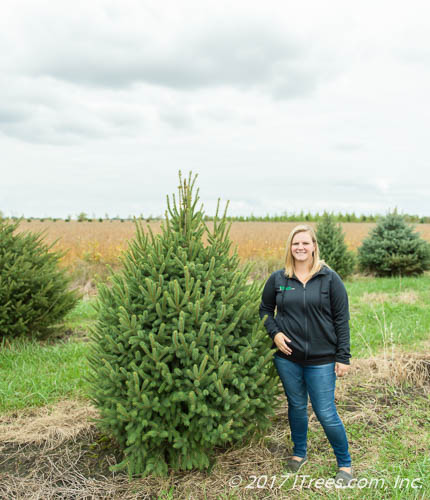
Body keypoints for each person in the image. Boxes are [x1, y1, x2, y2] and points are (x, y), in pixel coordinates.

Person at [259, 224, 353, 485]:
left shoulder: (329, 279)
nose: (300, 247)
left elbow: (341, 320)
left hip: (322, 360)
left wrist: (343, 357)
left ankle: (344, 462)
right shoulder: (279, 279)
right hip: (288, 359)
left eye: (305, 243)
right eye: (295, 243)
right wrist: (275, 333)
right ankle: (299, 453)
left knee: (325, 412)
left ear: (313, 247)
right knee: (297, 406)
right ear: (290, 247)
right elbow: (265, 310)